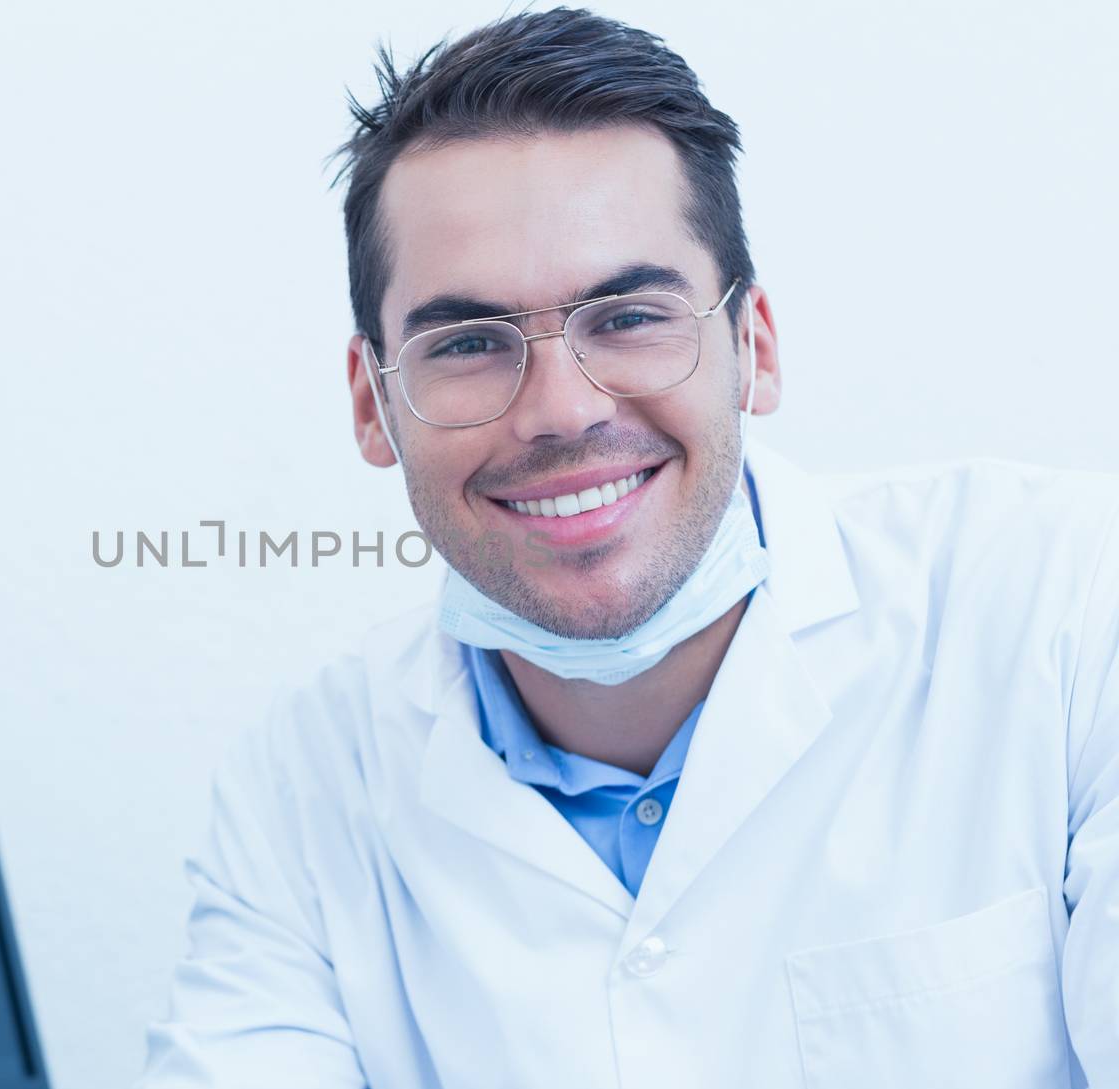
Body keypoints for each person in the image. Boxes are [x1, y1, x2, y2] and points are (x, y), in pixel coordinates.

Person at [137, 8, 1119, 1087]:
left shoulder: (1062, 607)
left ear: (752, 350)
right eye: (467, 343)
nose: (560, 411)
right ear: (374, 405)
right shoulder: (306, 782)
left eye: (630, 317)